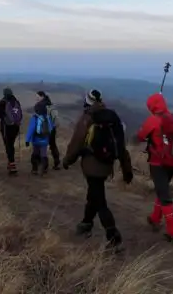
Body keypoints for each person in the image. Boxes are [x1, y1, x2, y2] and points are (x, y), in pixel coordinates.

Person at [62, 89, 133, 253]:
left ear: (87, 102)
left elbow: (76, 143)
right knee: (94, 194)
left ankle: (113, 236)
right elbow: (120, 146)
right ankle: (86, 223)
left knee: (100, 201)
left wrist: (67, 160)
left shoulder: (87, 119)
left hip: (91, 166)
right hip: (106, 165)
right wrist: (126, 169)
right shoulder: (112, 117)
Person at [136, 92, 173, 244]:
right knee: (162, 189)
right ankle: (155, 218)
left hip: (158, 162)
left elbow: (140, 136)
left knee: (165, 196)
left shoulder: (153, 120)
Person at [0, 87, 23, 175]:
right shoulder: (16, 101)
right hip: (16, 127)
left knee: (8, 145)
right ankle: (10, 163)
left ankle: (12, 165)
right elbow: (20, 114)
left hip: (6, 127)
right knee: (11, 144)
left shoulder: (3, 102)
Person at [25, 93, 53, 175]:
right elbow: (51, 128)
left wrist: (27, 140)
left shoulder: (35, 118)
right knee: (43, 154)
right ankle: (44, 169)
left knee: (35, 153)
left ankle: (35, 169)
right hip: (45, 139)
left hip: (36, 140)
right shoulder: (47, 117)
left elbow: (31, 129)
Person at [38, 91, 62, 170]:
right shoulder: (51, 106)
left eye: (38, 96)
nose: (37, 98)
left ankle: (44, 165)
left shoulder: (42, 106)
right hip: (52, 129)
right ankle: (57, 162)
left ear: (42, 96)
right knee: (53, 145)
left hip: (45, 129)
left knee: (42, 146)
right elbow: (56, 119)